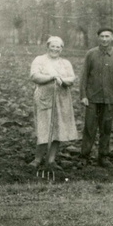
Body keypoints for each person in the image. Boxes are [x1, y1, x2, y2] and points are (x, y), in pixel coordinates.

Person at [29, 36, 78, 170]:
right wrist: (51, 77)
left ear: (61, 49)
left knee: (58, 128)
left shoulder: (65, 63)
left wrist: (61, 79)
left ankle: (51, 160)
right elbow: (34, 76)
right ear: (48, 46)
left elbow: (71, 78)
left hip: (62, 99)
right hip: (45, 98)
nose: (55, 49)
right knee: (44, 128)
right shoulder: (39, 60)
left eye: (58, 47)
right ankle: (37, 159)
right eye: (53, 46)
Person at [79, 27, 113, 167]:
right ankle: (84, 156)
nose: (104, 39)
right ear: (98, 37)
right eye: (102, 36)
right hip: (92, 98)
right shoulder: (91, 54)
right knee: (89, 128)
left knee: (106, 128)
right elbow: (84, 76)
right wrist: (83, 95)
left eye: (107, 36)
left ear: (112, 37)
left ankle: (103, 157)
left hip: (110, 98)